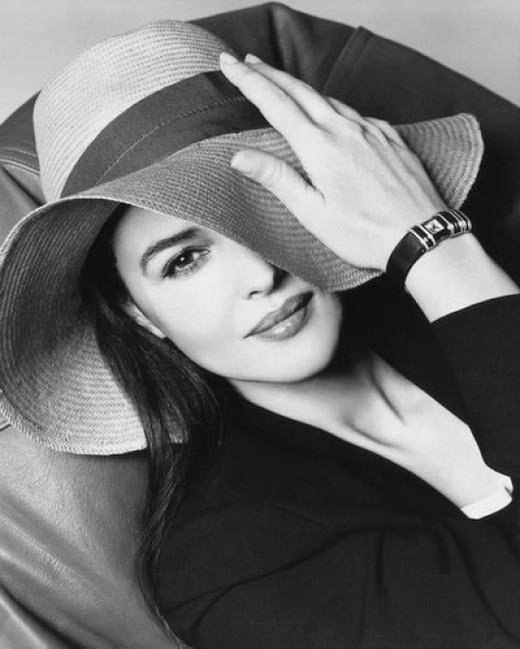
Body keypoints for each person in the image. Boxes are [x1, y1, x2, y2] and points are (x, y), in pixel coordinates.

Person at [1, 18, 520, 649]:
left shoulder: (493, 292)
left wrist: (436, 248)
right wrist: (440, 254)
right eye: (184, 260)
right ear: (139, 313)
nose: (260, 274)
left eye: (266, 203)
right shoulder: (231, 566)